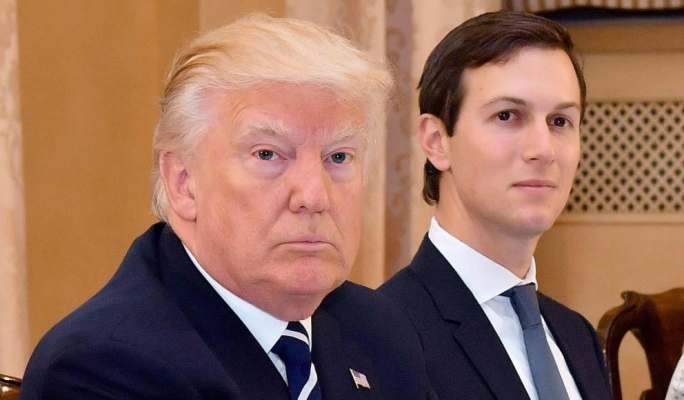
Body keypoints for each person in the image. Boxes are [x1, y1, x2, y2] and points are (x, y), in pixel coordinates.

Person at [20, 14, 435, 400]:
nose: (314, 196)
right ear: (184, 182)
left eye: (338, 157)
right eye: (268, 154)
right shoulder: (102, 367)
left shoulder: (379, 330)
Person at [379, 11, 611, 400]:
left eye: (560, 121)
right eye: (507, 116)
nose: (543, 149)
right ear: (436, 141)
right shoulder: (384, 338)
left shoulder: (578, 336)